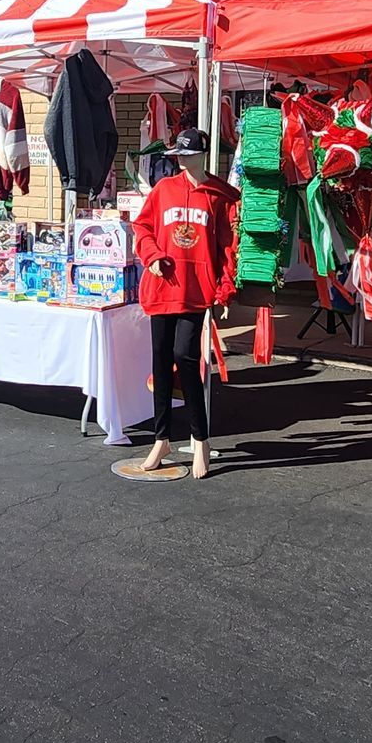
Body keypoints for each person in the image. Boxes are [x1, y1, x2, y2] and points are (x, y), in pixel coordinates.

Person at [129, 127, 238, 479]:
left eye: (191, 155)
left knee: (185, 358)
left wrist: (224, 291)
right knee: (160, 363)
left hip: (196, 291)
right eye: (180, 157)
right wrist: (153, 256)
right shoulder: (164, 190)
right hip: (162, 288)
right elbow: (142, 228)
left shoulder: (222, 195)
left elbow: (228, 248)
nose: (185, 162)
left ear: (203, 155)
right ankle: (161, 438)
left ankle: (200, 438)